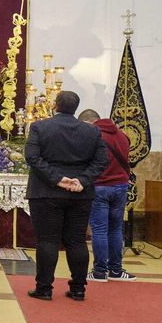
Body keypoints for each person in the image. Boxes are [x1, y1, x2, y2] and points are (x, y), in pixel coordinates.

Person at [24, 91, 108, 301]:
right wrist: (82, 180)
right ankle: (79, 288)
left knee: (47, 241)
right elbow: (101, 161)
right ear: (76, 107)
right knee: (77, 241)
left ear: (55, 105)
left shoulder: (40, 127)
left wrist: (58, 178)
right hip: (80, 194)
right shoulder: (92, 132)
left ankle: (44, 288)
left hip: (46, 192)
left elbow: (32, 157)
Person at [79, 108, 137, 282]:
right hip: (120, 186)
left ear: (89, 122)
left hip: (100, 187)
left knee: (99, 230)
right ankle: (116, 271)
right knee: (116, 229)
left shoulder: (93, 136)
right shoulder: (122, 135)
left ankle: (99, 272)